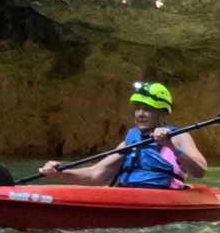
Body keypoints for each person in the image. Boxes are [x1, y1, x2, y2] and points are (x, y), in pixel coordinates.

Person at [39, 80, 210, 188]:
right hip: (128, 195)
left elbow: (200, 171)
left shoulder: (177, 136)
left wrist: (170, 145)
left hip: (162, 198)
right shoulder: (130, 141)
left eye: (148, 109)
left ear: (163, 115)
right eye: (137, 108)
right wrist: (60, 173)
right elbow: (96, 174)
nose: (140, 114)